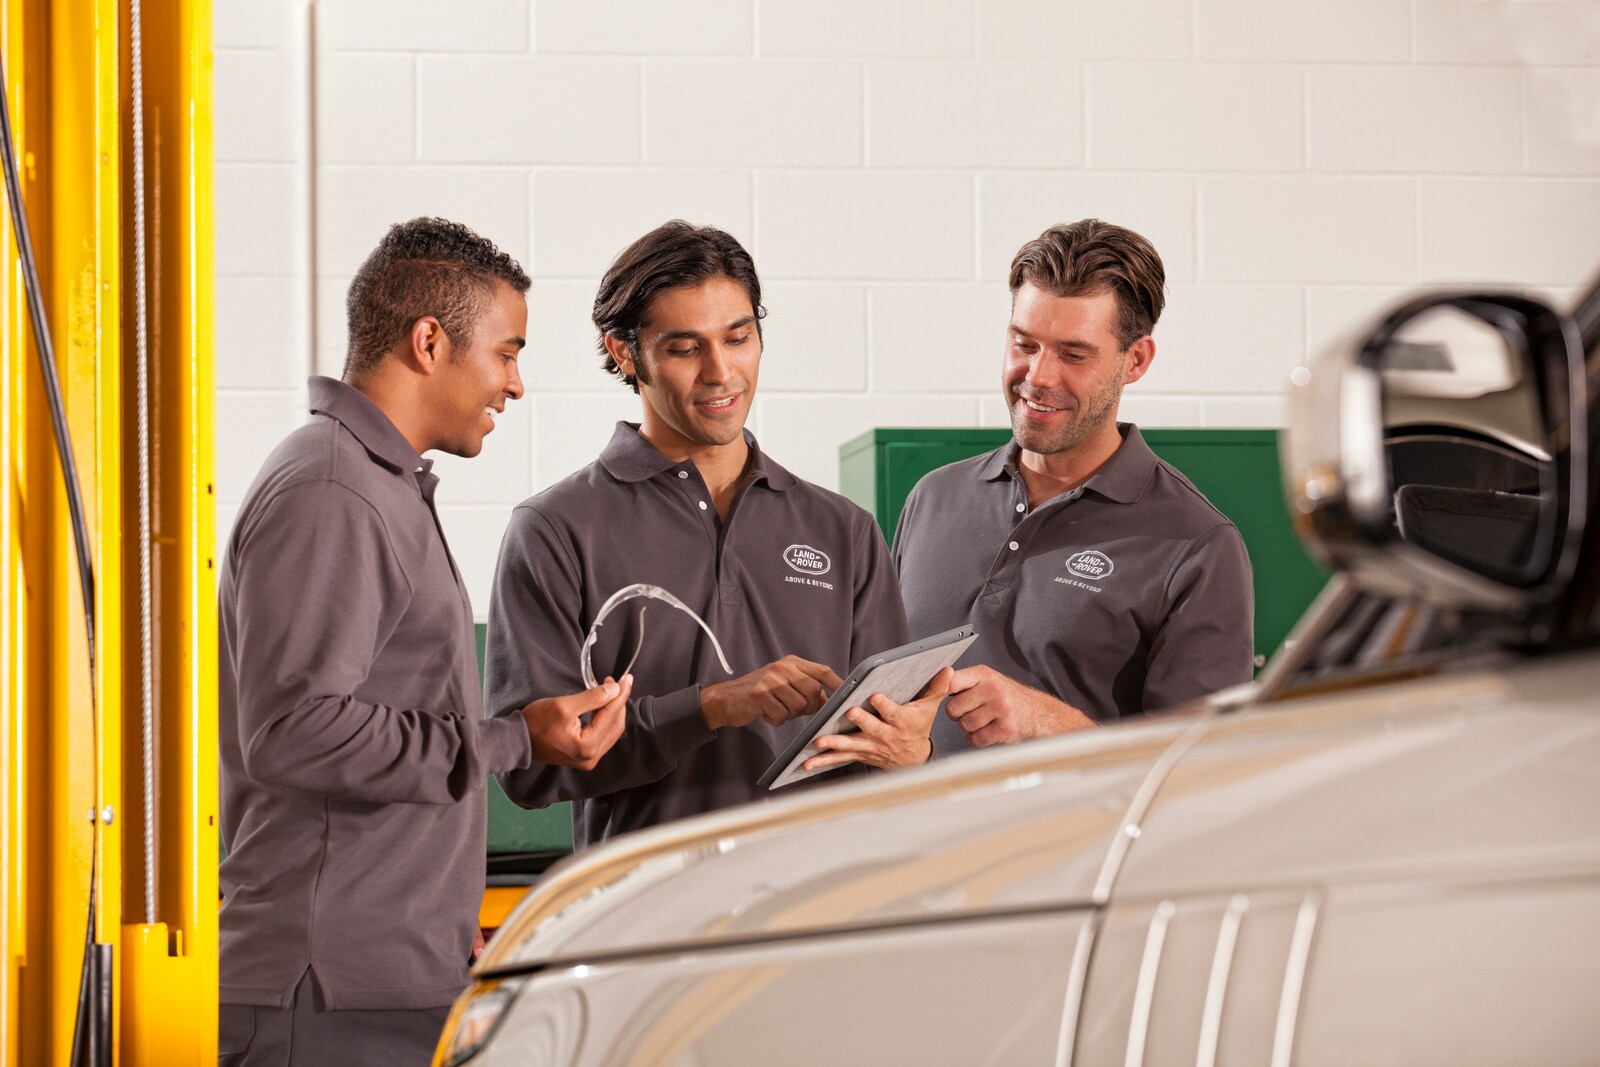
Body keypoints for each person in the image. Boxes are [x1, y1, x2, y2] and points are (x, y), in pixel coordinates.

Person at [217, 217, 631, 1066]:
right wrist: (515, 736)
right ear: (430, 341)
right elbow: (295, 730)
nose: (515, 385)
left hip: (385, 976)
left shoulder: (379, 484)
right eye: (507, 352)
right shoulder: (335, 491)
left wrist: (443, 929)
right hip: (329, 991)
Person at [485, 220, 924, 849]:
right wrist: (711, 706)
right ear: (624, 353)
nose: (721, 372)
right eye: (686, 348)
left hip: (813, 914)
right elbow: (529, 773)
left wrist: (913, 748)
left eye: (738, 338)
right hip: (643, 921)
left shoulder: (843, 529)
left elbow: (886, 753)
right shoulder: (554, 529)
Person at [892, 219, 1254, 756]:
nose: (1038, 375)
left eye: (1073, 354)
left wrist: (1045, 721)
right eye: (1024, 344)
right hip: (915, 836)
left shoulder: (1198, 545)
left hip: (1071, 841)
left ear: (1136, 361)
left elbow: (1196, 776)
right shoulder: (933, 497)